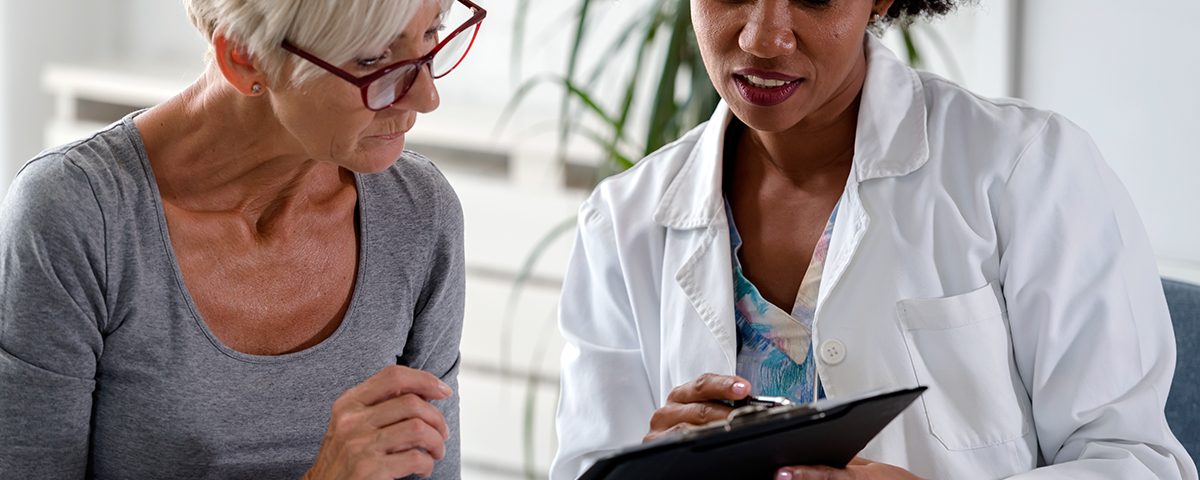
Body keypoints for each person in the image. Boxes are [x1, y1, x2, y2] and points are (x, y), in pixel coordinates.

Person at [551, 0, 1197, 478]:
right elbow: (587, 468)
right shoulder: (622, 226)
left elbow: (1136, 461)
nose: (763, 36)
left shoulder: (1027, 173)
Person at [0, 0, 486, 478]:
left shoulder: (420, 213)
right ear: (244, 57)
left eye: (430, 36)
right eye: (372, 60)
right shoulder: (78, 215)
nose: (426, 98)